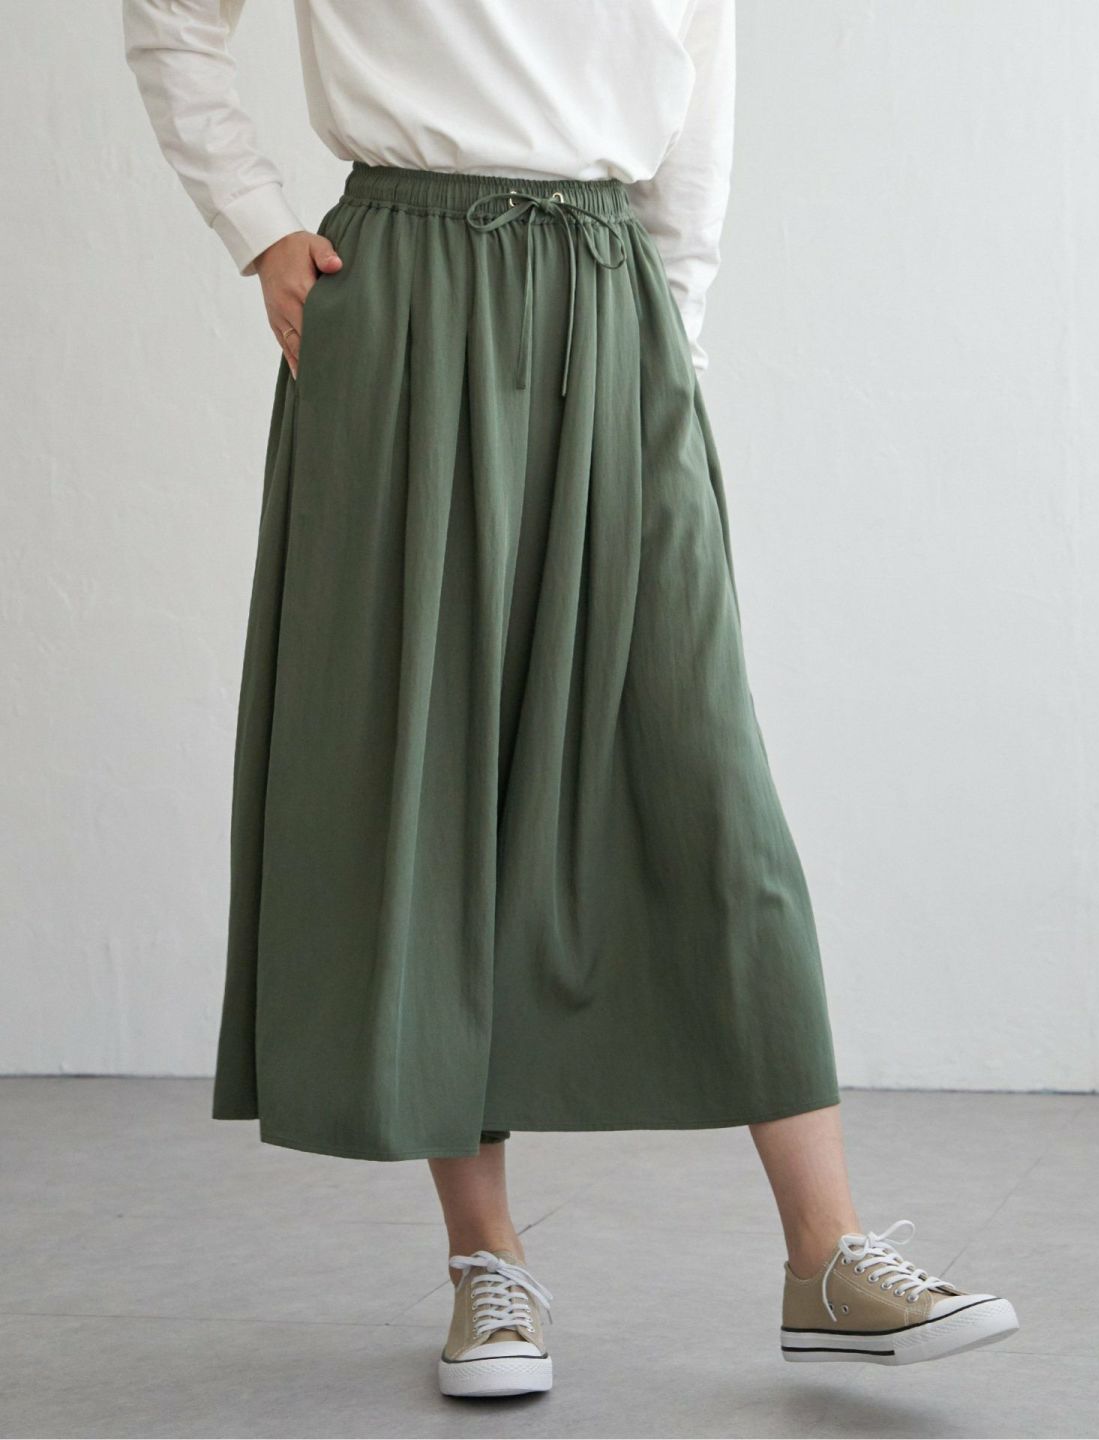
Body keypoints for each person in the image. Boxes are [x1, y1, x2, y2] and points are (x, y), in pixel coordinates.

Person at [123, 0, 1017, 1400]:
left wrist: (672, 340)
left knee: (709, 779)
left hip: (617, 300)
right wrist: (256, 222)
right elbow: (170, 17)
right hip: (405, 289)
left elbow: (698, 85)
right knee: (435, 773)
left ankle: (826, 1254)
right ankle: (486, 1264)